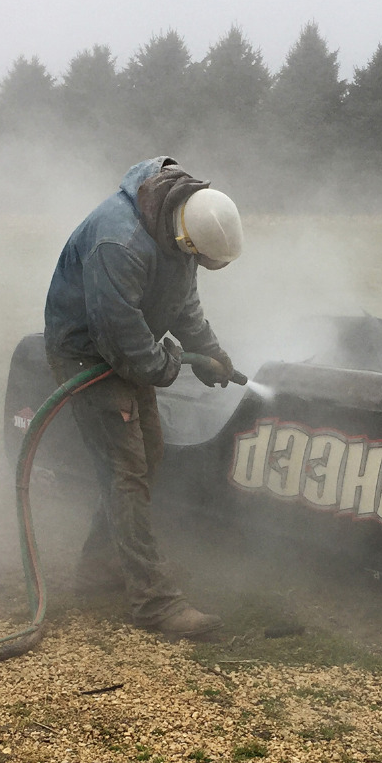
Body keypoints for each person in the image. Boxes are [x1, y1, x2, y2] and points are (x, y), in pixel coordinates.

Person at [43, 157, 241, 639]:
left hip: (127, 348)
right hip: (88, 356)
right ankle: (154, 602)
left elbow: (180, 300)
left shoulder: (181, 224)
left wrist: (209, 351)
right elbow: (121, 337)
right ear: (186, 238)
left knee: (146, 456)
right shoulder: (120, 242)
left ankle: (99, 567)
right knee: (126, 470)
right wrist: (169, 365)